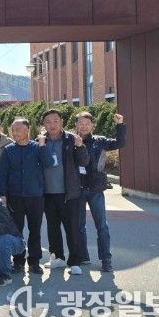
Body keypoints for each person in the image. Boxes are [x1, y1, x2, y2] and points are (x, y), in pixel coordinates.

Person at [0, 118, 53, 274]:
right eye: (13, 130)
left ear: (27, 130)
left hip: (35, 196)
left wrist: (42, 145)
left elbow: (48, 162)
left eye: (18, 129)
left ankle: (34, 262)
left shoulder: (37, 147)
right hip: (15, 196)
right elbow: (3, 174)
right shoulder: (8, 150)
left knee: (35, 230)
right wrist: (3, 194)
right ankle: (18, 261)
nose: (15, 133)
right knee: (16, 230)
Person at [74, 111, 127, 272]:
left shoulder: (100, 141)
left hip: (96, 188)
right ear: (76, 125)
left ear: (92, 125)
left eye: (87, 124)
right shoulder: (70, 141)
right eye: (81, 123)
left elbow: (120, 143)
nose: (84, 127)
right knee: (79, 226)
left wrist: (120, 125)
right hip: (77, 189)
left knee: (102, 226)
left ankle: (106, 259)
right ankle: (83, 257)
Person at [39, 109, 90, 275]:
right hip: (48, 193)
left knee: (72, 228)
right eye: (48, 121)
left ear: (62, 122)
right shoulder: (40, 141)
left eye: (55, 121)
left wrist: (80, 147)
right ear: (44, 124)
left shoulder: (71, 139)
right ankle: (57, 258)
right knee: (53, 228)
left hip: (69, 193)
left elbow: (84, 161)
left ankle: (74, 261)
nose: (52, 125)